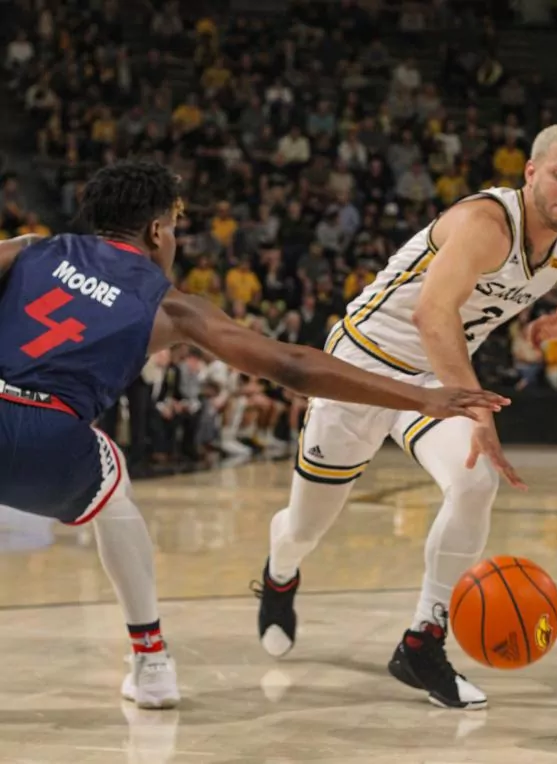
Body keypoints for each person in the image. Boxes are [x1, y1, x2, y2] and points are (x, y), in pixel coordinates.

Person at [0, 161, 507, 710]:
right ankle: (151, 663)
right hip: (50, 438)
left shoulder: (30, 250)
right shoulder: (170, 305)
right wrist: (420, 397)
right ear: (156, 231)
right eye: (175, 227)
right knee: (114, 492)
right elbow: (292, 366)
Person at [255, 123, 557, 710]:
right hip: (361, 368)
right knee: (305, 529)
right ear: (530, 173)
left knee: (476, 480)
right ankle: (279, 574)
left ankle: (422, 642)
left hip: (433, 380)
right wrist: (479, 408)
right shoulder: (486, 223)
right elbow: (432, 315)